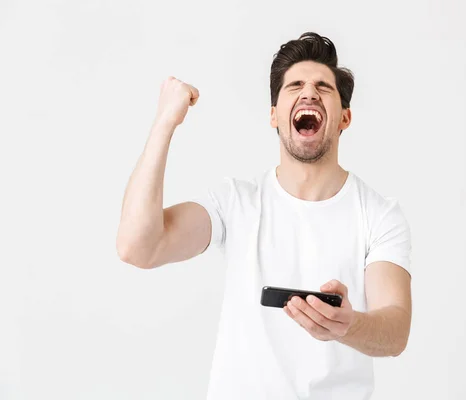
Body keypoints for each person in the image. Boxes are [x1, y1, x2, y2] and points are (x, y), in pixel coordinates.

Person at [117, 32, 413, 400]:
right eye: (295, 86)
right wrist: (164, 123)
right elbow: (138, 247)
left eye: (323, 86)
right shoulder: (235, 203)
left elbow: (396, 331)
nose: (309, 93)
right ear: (274, 114)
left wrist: (347, 326)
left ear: (344, 117)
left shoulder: (380, 215)